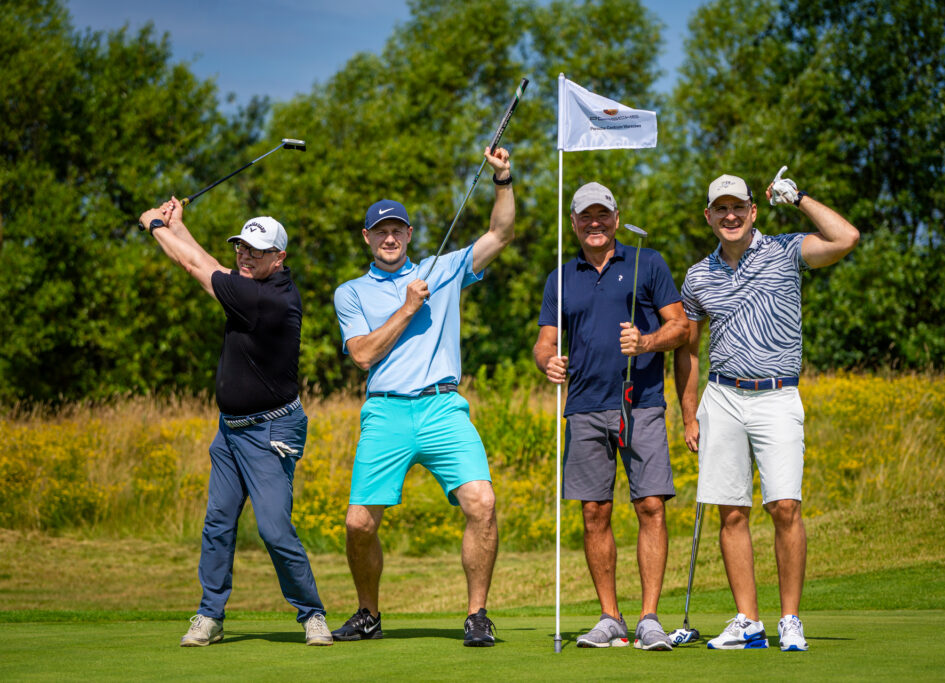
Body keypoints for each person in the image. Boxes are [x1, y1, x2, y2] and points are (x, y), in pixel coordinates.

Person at [332, 146, 514, 647]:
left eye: (397, 230)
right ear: (367, 238)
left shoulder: (443, 267)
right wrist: (409, 307)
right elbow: (362, 354)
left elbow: (500, 234)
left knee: (482, 503)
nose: (389, 238)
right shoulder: (351, 292)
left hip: (442, 407)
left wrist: (503, 179)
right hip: (386, 409)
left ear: (409, 234)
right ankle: (368, 614)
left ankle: (477, 615)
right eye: (380, 231)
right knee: (358, 524)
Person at [674, 168, 860, 651]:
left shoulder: (785, 250)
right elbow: (688, 350)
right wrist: (689, 414)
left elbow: (846, 238)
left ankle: (790, 619)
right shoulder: (697, 276)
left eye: (738, 207)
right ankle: (748, 621)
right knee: (731, 511)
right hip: (723, 396)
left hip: (777, 394)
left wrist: (798, 198)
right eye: (721, 208)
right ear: (708, 216)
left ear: (754, 211)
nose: (730, 215)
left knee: (785, 506)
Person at [137, 199, 332, 647]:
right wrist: (179, 226)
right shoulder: (251, 283)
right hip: (230, 431)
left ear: (279, 258)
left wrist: (154, 225)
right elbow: (210, 263)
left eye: (257, 251)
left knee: (274, 529)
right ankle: (210, 615)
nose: (246, 256)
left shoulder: (267, 299)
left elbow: (193, 266)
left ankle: (312, 614)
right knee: (218, 523)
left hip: (270, 432)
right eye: (242, 247)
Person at [533, 182, 687, 651]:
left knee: (651, 505)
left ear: (617, 219)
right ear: (574, 223)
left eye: (602, 215)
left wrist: (646, 342)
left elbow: (680, 326)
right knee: (594, 511)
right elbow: (544, 341)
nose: (594, 223)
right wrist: (548, 362)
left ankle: (649, 619)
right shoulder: (561, 277)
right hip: (584, 405)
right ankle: (610, 617)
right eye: (586, 216)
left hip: (641, 402)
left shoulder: (647, 262)